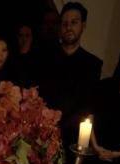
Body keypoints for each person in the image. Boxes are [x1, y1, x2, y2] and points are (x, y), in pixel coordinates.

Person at [39, 2, 103, 145]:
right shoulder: (45, 58)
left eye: (74, 22)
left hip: (71, 139)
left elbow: (87, 105)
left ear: (83, 26)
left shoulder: (93, 64)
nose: (68, 27)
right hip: (41, 134)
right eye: (65, 23)